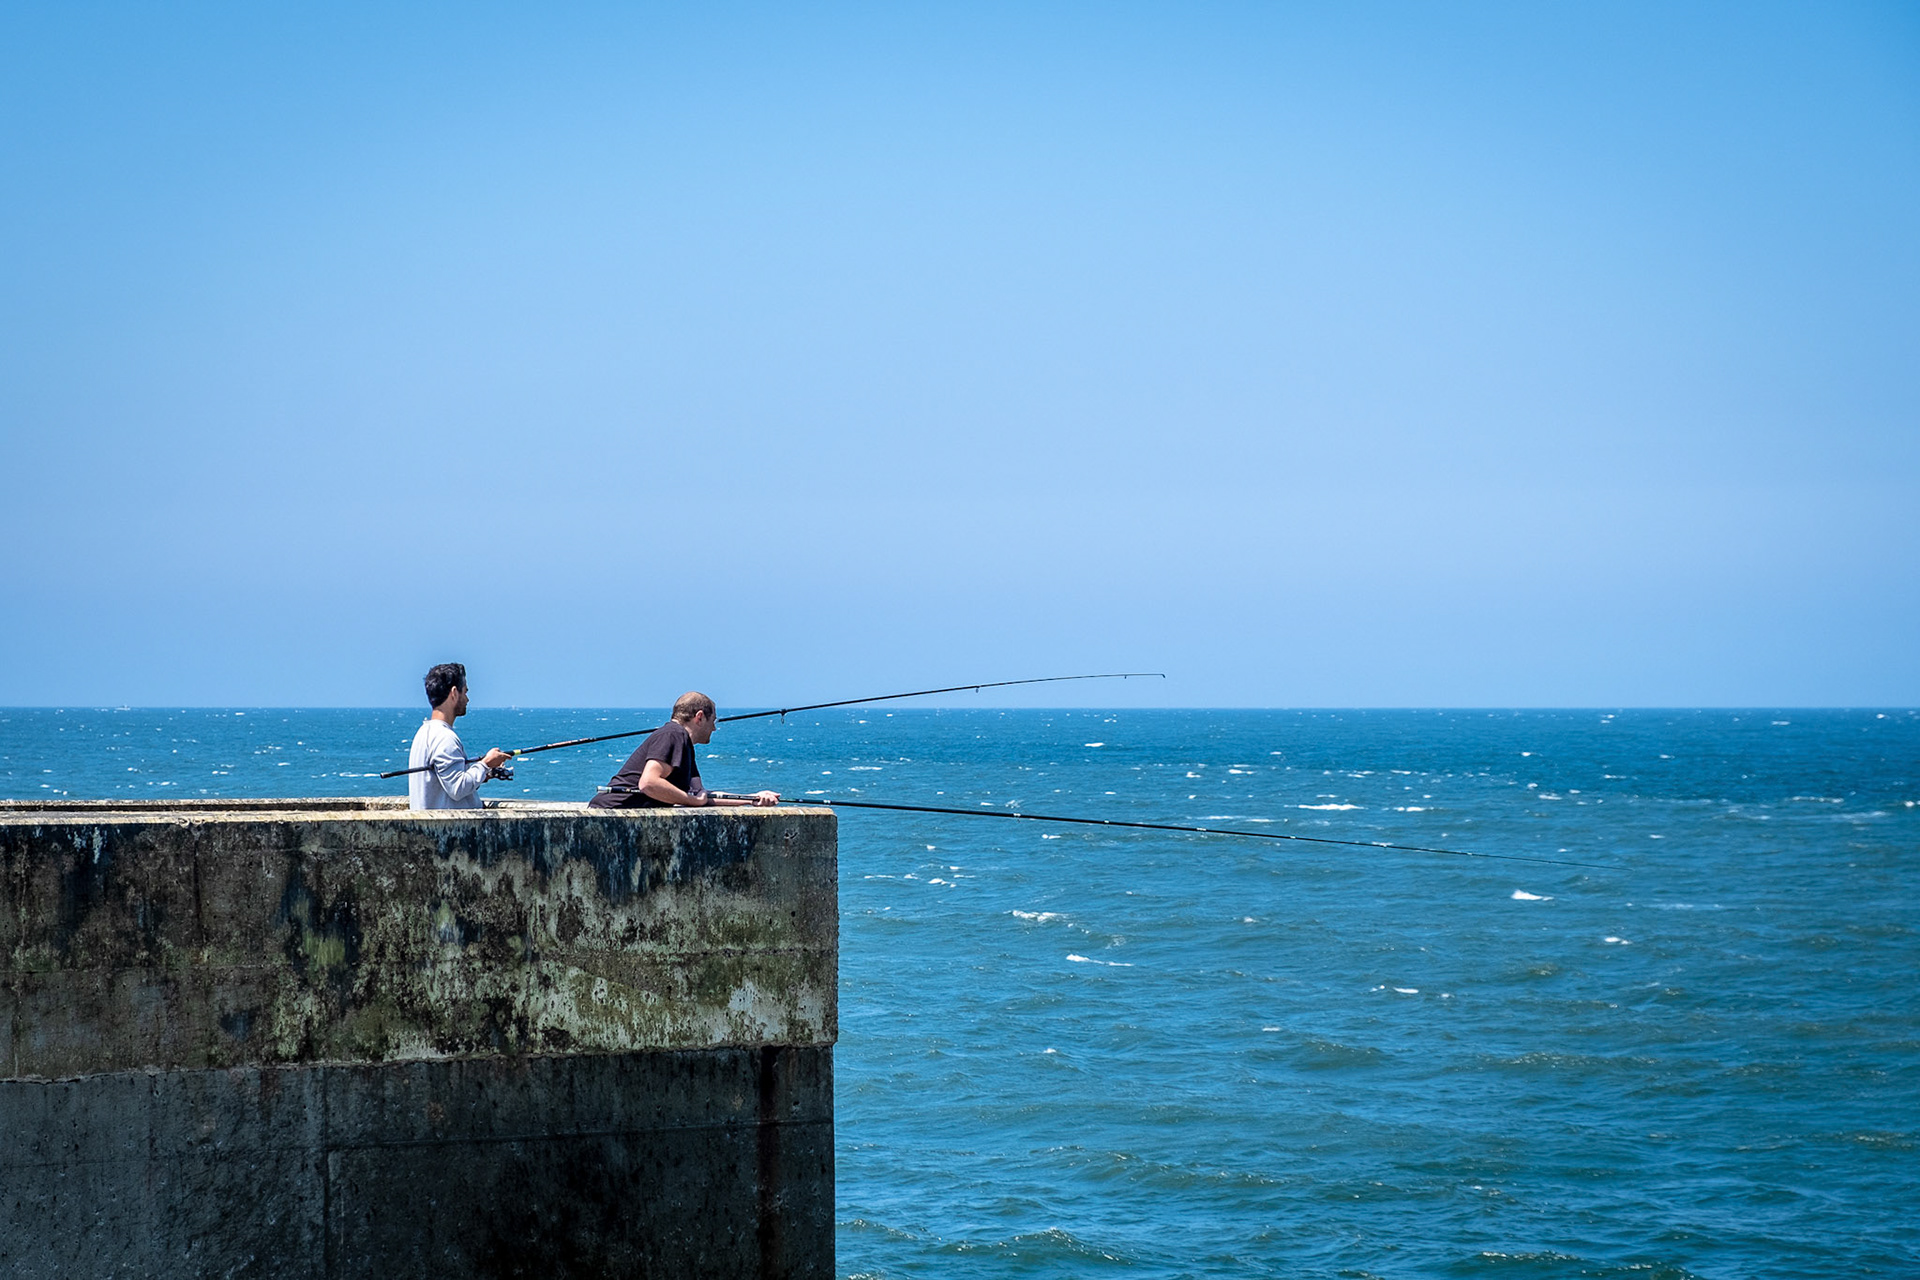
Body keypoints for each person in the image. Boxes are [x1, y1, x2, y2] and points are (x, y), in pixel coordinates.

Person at [588, 691, 780, 809]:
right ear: (699, 717)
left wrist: (752, 799)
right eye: (713, 721)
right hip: (610, 812)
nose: (714, 728)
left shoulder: (684, 744)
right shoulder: (673, 734)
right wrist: (691, 801)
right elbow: (649, 783)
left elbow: (701, 796)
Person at [408, 662, 512, 810]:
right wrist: (485, 764)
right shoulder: (444, 738)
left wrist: (483, 773)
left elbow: (446, 781)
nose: (467, 699)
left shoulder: (424, 732)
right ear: (454, 693)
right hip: (446, 830)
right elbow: (457, 788)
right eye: (465, 692)